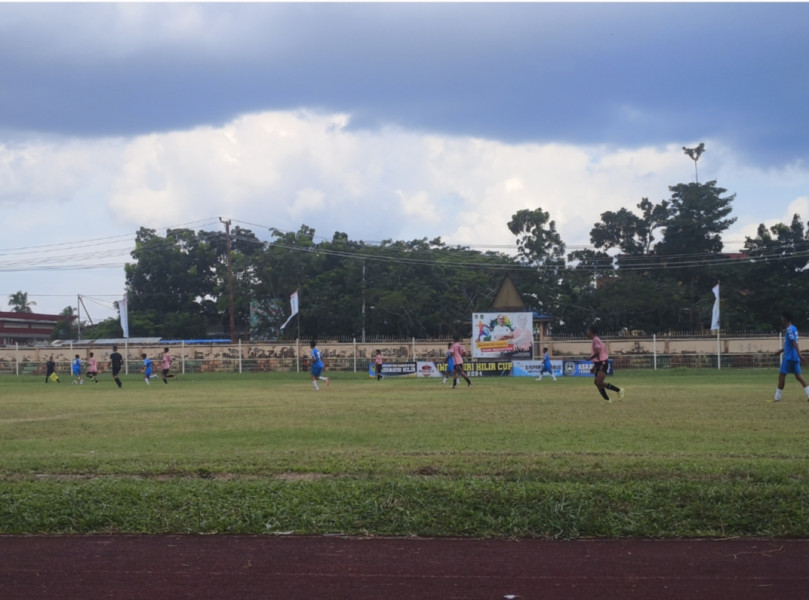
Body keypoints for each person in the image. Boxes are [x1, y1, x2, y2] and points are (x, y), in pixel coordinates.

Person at [773, 311, 809, 402]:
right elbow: (790, 344)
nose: (781, 319)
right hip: (795, 357)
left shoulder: (789, 329)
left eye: (782, 318)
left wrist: (800, 354)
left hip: (789, 357)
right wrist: (780, 351)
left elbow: (794, 342)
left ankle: (777, 398)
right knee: (798, 376)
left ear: (785, 319)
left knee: (782, 375)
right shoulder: (794, 328)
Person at [587, 326, 623, 402]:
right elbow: (598, 355)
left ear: (591, 332)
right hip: (598, 363)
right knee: (597, 383)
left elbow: (598, 352)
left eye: (588, 331)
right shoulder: (595, 340)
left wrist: (589, 358)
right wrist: (594, 367)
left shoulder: (595, 340)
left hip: (602, 363)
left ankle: (619, 390)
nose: (587, 333)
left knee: (599, 382)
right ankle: (607, 400)